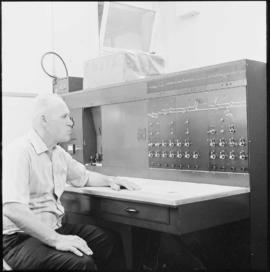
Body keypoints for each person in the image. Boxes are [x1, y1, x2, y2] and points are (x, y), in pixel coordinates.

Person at [3, 93, 140, 271]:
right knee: (80, 263)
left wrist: (111, 180)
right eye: (64, 116)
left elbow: (84, 177)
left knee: (109, 241)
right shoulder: (19, 152)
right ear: (44, 120)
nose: (71, 122)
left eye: (70, 117)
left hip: (54, 229)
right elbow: (13, 209)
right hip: (19, 239)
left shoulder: (58, 154)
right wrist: (56, 239)